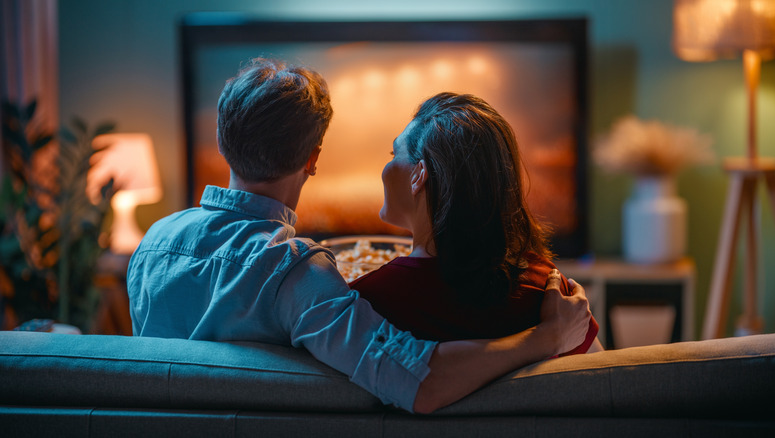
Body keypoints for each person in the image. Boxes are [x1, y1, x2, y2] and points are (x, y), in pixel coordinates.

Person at [126, 58, 593, 415]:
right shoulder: (298, 275)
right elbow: (418, 381)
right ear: (313, 158)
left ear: (223, 139)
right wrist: (546, 336)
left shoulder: (153, 244)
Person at [351, 92, 602, 354]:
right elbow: (602, 378)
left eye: (394, 154)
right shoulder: (551, 294)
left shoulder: (367, 301)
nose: (387, 165)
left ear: (418, 176)